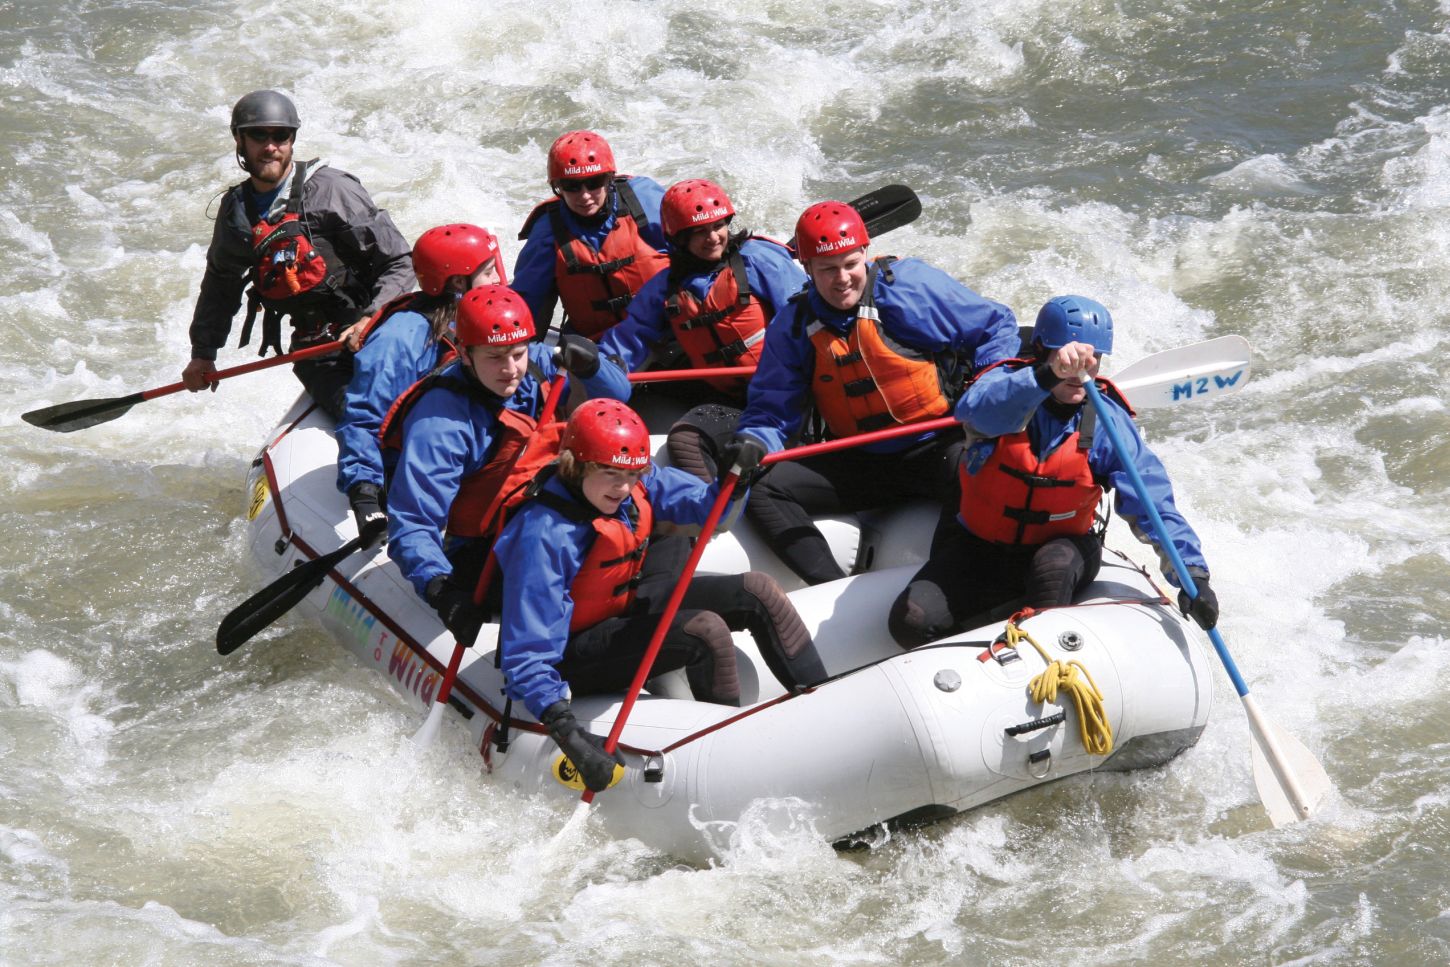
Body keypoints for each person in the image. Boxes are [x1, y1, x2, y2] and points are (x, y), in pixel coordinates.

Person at [491, 400, 827, 792]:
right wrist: (570, 735)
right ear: (576, 465)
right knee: (705, 631)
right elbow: (527, 657)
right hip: (574, 652)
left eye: (632, 475)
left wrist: (737, 477)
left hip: (624, 608)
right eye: (611, 473)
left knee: (758, 590)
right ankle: (733, 767)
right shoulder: (544, 535)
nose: (623, 487)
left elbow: (712, 511)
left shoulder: (637, 485)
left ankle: (827, 717)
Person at [888, 296, 1219, 648]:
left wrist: (1193, 576)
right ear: (1043, 350)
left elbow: (1152, 503)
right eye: (1070, 358)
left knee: (1052, 569)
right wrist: (1047, 375)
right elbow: (975, 411)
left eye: (1093, 361)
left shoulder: (1107, 424)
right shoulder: (1005, 387)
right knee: (909, 621)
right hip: (981, 546)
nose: (1081, 373)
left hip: (1063, 548)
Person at [721, 200, 1021, 585]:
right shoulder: (793, 325)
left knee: (985, 473)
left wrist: (986, 385)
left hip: (940, 445)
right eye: (828, 269)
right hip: (864, 460)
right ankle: (830, 588)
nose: (843, 279)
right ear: (807, 269)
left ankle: (949, 587)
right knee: (763, 489)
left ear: (865, 253)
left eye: (850, 264)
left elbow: (996, 326)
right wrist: (754, 442)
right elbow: (772, 410)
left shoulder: (910, 288)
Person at [383, 285, 628, 639]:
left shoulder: (537, 363)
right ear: (465, 355)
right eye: (495, 358)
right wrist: (441, 589)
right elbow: (414, 520)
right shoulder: (440, 424)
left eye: (517, 353)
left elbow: (617, 397)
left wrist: (593, 366)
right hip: (480, 549)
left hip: (541, 512)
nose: (511, 369)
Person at [181, 89, 413, 419]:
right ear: (240, 140)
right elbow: (221, 283)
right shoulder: (236, 211)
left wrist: (370, 317)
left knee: (403, 413)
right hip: (316, 348)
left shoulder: (331, 190)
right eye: (259, 135)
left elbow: (399, 260)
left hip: (377, 330)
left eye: (281, 136)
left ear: (292, 140)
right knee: (360, 418)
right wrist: (203, 352)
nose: (271, 146)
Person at [597, 178, 807, 479]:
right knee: (648, 396)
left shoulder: (759, 260)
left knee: (686, 438)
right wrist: (590, 372)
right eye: (698, 231)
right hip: (727, 397)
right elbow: (628, 341)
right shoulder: (665, 287)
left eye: (717, 226)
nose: (712, 237)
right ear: (678, 238)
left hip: (780, 395)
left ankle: (716, 507)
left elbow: (803, 318)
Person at [334, 224, 508, 549]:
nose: (498, 279)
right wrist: (366, 496)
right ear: (458, 282)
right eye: (488, 272)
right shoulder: (400, 338)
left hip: (474, 451)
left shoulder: (486, 318)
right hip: (419, 463)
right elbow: (363, 417)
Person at [511, 130, 668, 340]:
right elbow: (528, 303)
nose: (584, 195)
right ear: (558, 188)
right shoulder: (547, 232)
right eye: (572, 186)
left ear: (609, 179)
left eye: (594, 182)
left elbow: (697, 256)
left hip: (665, 330)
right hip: (595, 348)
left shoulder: (644, 199)